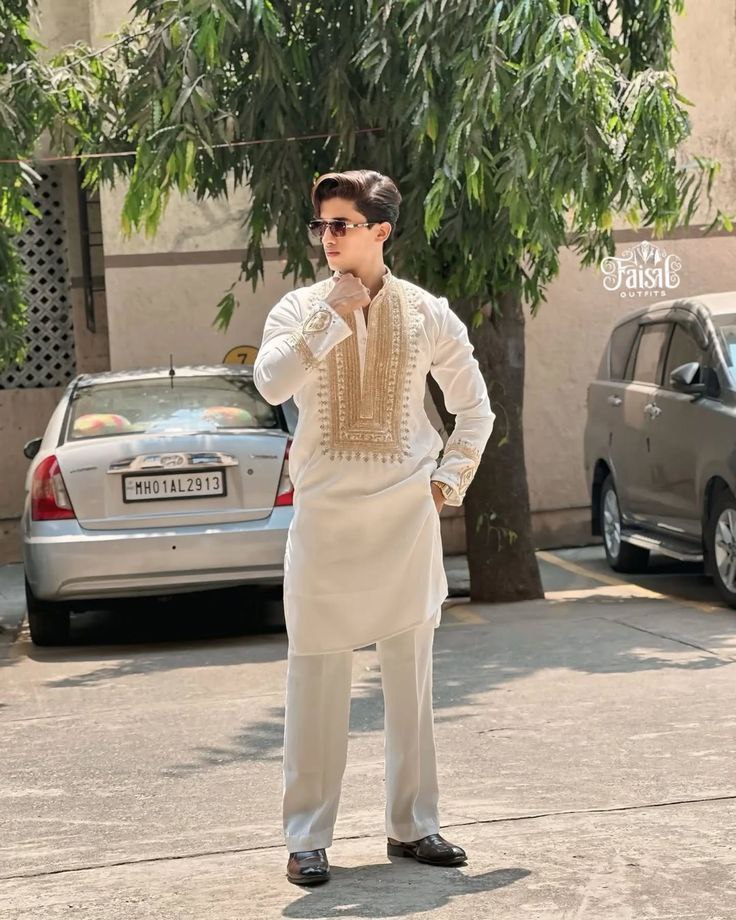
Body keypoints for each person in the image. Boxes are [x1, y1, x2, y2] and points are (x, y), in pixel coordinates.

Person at [253, 169, 495, 885]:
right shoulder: (299, 308)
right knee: (315, 674)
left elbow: (475, 408)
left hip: (404, 519)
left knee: (410, 680)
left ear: (380, 231)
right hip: (324, 519)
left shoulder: (426, 313)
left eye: (341, 224)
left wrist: (447, 482)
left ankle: (414, 825)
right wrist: (331, 315)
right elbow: (270, 383)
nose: (327, 238)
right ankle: (306, 837)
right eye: (320, 225)